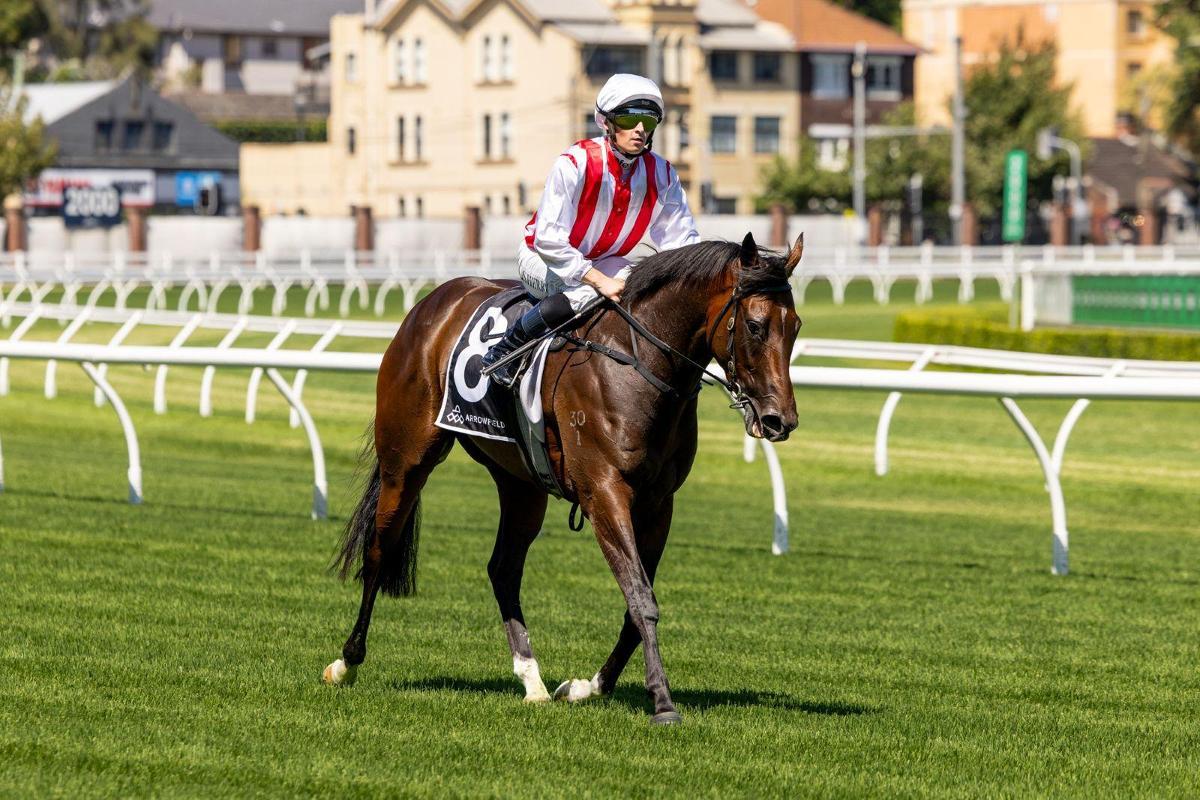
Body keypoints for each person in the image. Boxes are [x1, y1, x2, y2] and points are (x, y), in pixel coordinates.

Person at [480, 73, 701, 387]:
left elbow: (681, 244)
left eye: (648, 121)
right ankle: (504, 352)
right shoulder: (575, 163)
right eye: (629, 119)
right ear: (607, 123)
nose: (639, 129)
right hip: (543, 257)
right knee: (586, 292)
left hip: (606, 259)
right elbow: (549, 239)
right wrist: (598, 280)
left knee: (646, 289)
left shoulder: (663, 174)